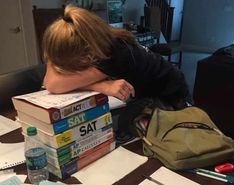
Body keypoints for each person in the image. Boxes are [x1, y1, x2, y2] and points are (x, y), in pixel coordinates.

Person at [42, 5, 189, 142]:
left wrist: (96, 85)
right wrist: (102, 86)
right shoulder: (100, 41)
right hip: (155, 86)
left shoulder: (115, 54)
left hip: (170, 97)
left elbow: (53, 84)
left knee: (124, 128)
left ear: (85, 52)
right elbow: (50, 81)